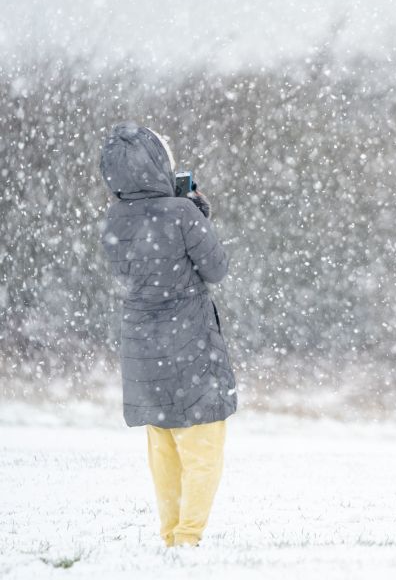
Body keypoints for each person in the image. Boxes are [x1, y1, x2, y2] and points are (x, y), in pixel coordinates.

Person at [99, 122, 236, 547]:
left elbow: (132, 269)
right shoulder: (182, 212)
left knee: (162, 448)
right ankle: (189, 536)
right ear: (158, 165)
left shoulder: (115, 217)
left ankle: (171, 533)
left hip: (142, 346)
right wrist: (198, 215)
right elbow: (216, 269)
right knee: (202, 443)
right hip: (188, 341)